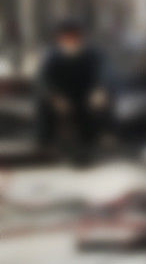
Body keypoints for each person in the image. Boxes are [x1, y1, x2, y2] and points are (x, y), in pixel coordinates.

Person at [35, 18, 112, 162]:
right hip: (61, 98)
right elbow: (43, 80)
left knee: (100, 106)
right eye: (67, 37)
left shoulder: (92, 54)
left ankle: (98, 139)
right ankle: (46, 143)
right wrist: (55, 97)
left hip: (85, 96)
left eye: (74, 37)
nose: (71, 41)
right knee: (43, 105)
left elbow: (104, 73)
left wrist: (100, 90)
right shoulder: (52, 56)